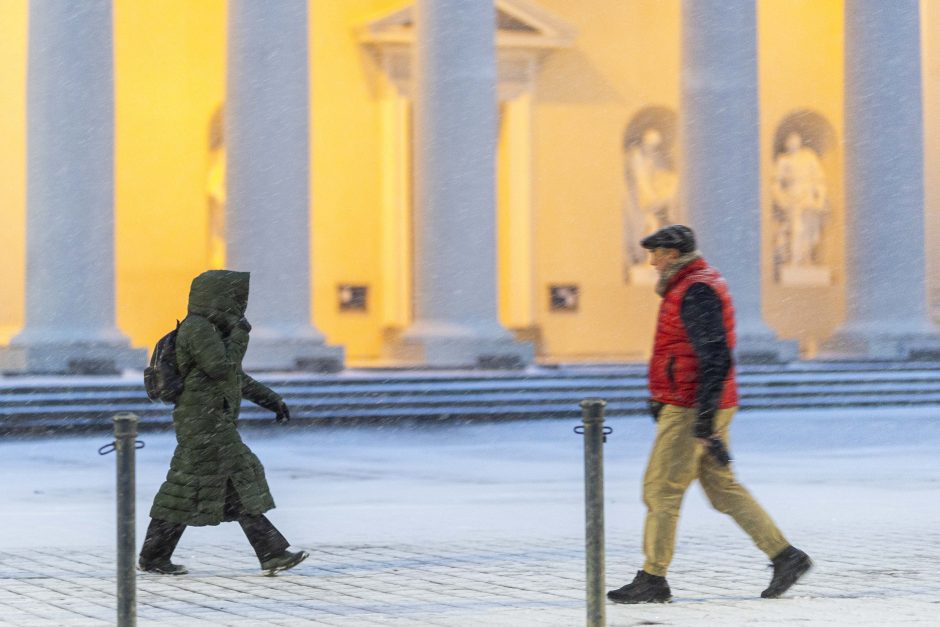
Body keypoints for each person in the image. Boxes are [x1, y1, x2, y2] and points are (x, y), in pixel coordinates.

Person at [607, 225, 812, 604]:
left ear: (672, 253)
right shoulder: (691, 285)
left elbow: (715, 354)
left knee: (661, 489)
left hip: (692, 406)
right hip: (697, 402)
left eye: (656, 253)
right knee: (722, 489)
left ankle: (653, 577)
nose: (651, 261)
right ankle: (786, 556)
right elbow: (687, 352)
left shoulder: (695, 289)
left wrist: (702, 418)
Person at [139, 270, 308, 576]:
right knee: (239, 474)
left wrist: (271, 399)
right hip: (203, 421)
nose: (241, 305)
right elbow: (220, 368)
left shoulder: (212, 330)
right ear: (220, 297)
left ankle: (155, 556)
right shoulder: (198, 328)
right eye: (236, 297)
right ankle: (272, 552)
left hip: (209, 419)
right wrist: (241, 335)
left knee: (192, 487)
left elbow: (234, 376)